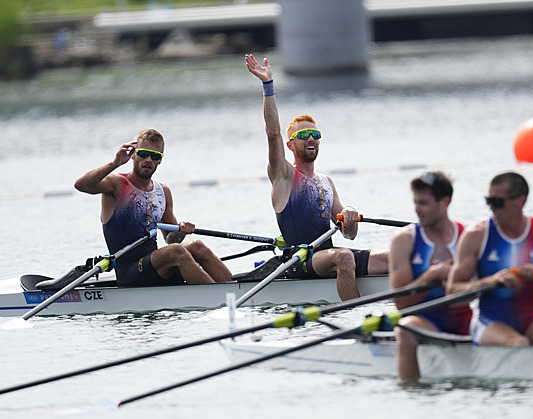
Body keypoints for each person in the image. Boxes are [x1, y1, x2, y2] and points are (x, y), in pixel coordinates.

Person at [245, 54, 388, 300]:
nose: (311, 138)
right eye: (303, 136)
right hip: (300, 260)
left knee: (396, 255)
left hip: (328, 256)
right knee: (344, 257)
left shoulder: (326, 182)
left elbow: (349, 234)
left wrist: (350, 214)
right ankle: (354, 318)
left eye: (315, 133)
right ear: (290, 146)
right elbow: (272, 133)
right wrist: (268, 87)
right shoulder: (284, 175)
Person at [74, 128, 232, 287]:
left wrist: (181, 230)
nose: (149, 159)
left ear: (160, 160)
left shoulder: (162, 191)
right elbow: (81, 185)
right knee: (176, 252)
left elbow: (171, 238)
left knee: (197, 246)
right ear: (133, 154)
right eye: (143, 154)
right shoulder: (117, 183)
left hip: (154, 266)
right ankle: (221, 298)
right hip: (130, 271)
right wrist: (114, 163)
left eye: (155, 156)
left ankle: (235, 288)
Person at [446, 171, 533, 349]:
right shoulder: (476, 236)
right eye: (488, 201)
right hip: (488, 320)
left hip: (531, 317)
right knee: (518, 344)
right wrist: (491, 281)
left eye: (497, 202)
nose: (491, 207)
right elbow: (452, 293)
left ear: (520, 201)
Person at [389, 172, 471, 380]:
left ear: (445, 202)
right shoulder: (404, 240)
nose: (417, 209)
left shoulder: (468, 237)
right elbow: (401, 303)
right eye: (415, 202)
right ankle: (411, 392)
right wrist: (431, 276)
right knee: (404, 331)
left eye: (423, 203)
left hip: (463, 319)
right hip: (423, 321)